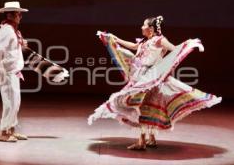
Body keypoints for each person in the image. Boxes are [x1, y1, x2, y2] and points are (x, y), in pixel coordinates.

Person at [88, 16, 222, 150]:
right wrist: (114, 38)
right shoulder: (145, 41)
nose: (141, 27)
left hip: (151, 78)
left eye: (143, 25)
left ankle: (141, 142)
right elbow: (133, 46)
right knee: (144, 107)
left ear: (150, 29)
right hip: (141, 77)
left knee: (141, 108)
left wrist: (187, 47)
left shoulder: (159, 40)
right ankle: (150, 139)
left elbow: (174, 49)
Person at [0, 1, 28, 142]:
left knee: (15, 102)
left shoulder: (13, 30)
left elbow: (11, 48)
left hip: (13, 70)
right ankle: (3, 132)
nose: (20, 17)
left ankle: (11, 129)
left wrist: (21, 44)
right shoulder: (7, 30)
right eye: (18, 14)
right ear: (11, 15)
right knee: (10, 102)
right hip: (8, 71)